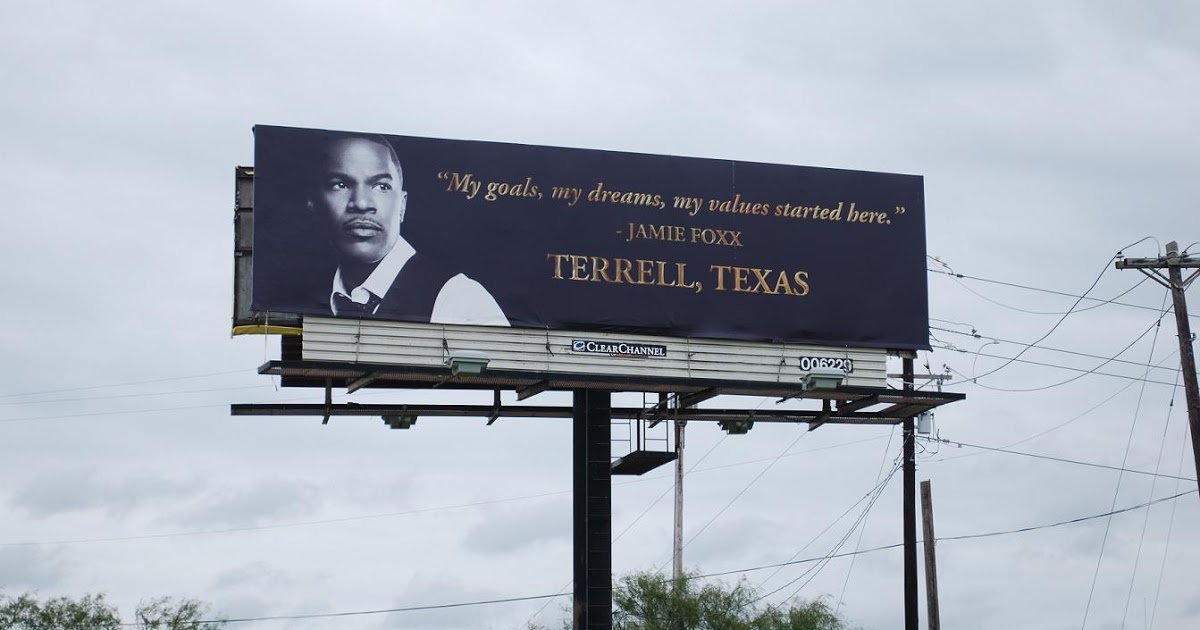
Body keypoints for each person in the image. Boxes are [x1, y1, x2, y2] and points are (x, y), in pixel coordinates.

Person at [308, 134, 508, 326]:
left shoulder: (460, 300)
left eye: (381, 186)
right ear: (314, 205)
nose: (361, 203)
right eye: (340, 185)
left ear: (402, 206)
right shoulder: (303, 297)